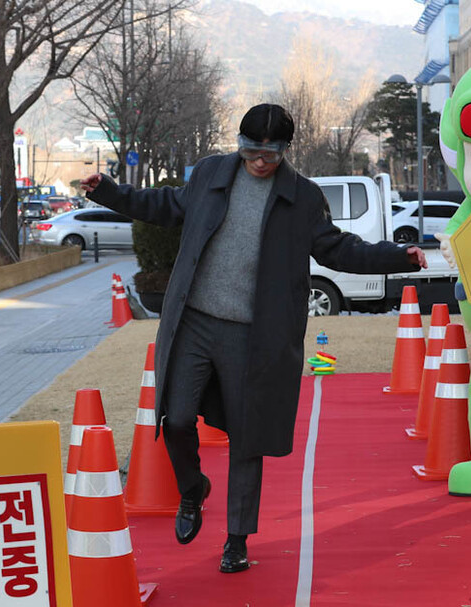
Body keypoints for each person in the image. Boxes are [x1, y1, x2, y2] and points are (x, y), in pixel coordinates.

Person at [80, 103, 426, 574]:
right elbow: (163, 206)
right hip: (195, 322)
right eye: (251, 150)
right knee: (176, 419)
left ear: (286, 150)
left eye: (271, 153)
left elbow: (337, 248)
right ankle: (192, 490)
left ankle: (237, 539)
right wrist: (110, 192)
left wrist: (397, 256)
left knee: (248, 437)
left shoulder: (301, 198)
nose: (260, 161)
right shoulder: (210, 174)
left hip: (255, 335)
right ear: (239, 143)